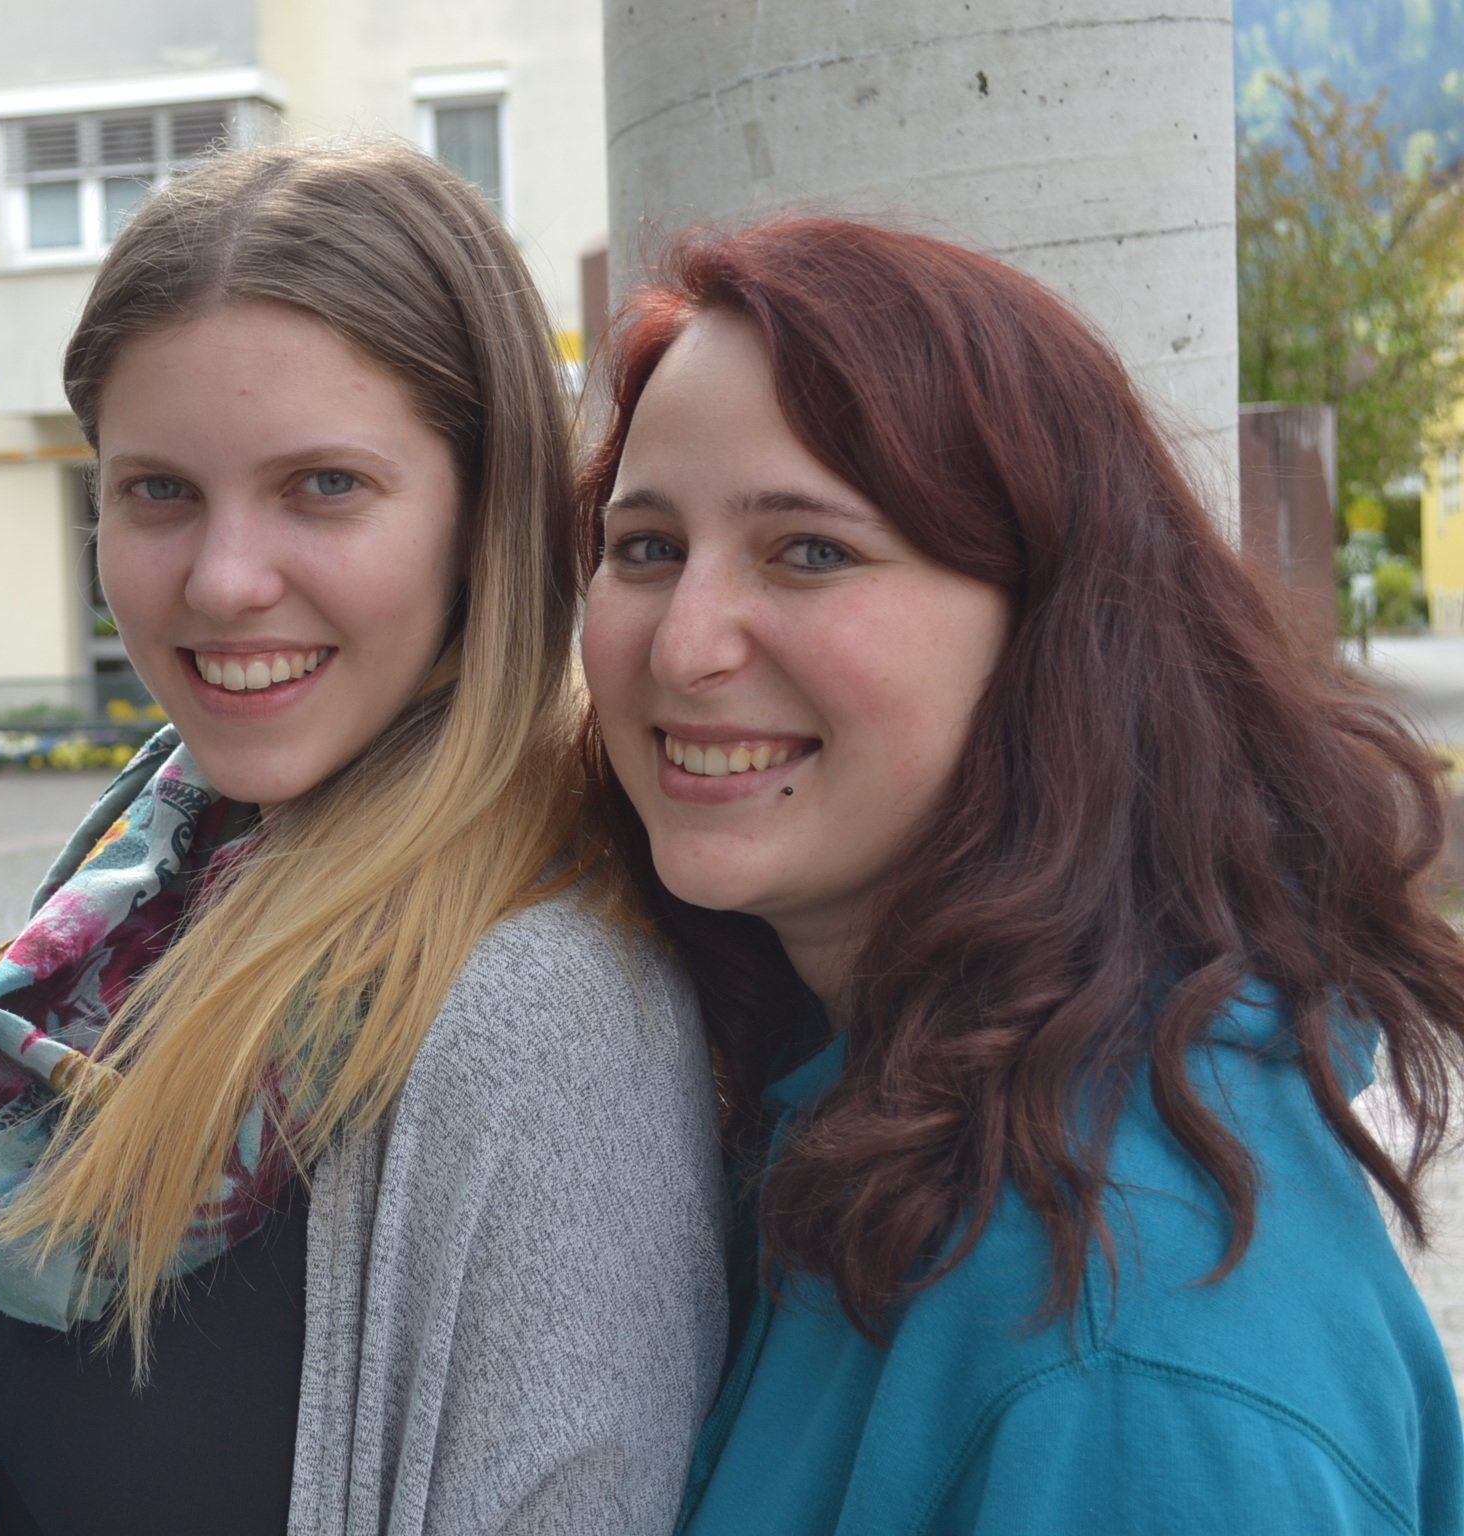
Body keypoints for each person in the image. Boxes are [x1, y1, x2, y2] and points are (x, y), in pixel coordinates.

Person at [577, 216, 1464, 1535]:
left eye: (811, 551)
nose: (683, 645)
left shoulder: (1120, 1356)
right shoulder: (860, 1082)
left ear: (1056, 626)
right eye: (646, 546)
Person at [0, 140, 726, 1536]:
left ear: (486, 513)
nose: (226, 580)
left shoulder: (533, 1007)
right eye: (159, 491)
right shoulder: (153, 875)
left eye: (324, 486)